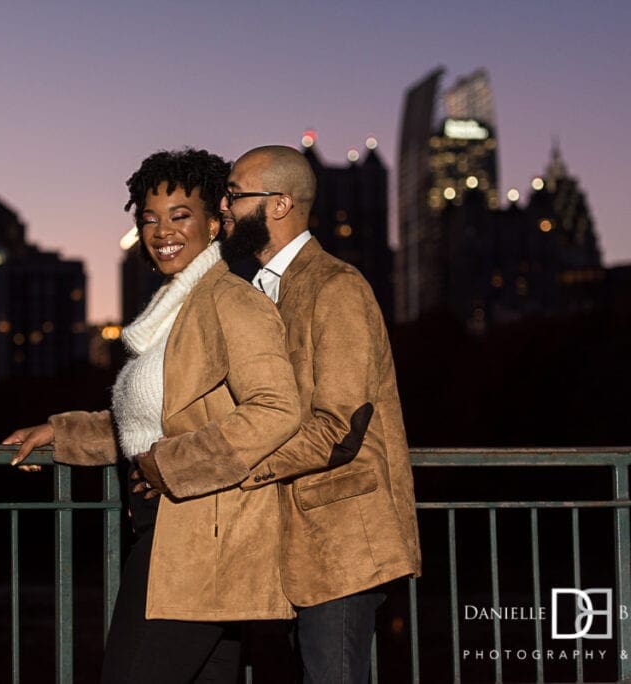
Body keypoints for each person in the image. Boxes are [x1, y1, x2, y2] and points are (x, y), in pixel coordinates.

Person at [4, 148, 301, 683]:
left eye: (180, 215)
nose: (162, 230)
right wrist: (63, 432)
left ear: (215, 223)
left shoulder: (231, 301)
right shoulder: (174, 309)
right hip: (174, 534)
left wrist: (168, 466)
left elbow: (277, 409)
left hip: (199, 541)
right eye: (149, 218)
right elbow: (155, 420)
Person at [220, 145, 422, 684]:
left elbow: (339, 428)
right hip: (286, 541)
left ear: (280, 204)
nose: (224, 206)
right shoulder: (256, 293)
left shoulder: (337, 287)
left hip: (342, 542)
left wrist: (229, 467)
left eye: (236, 194)